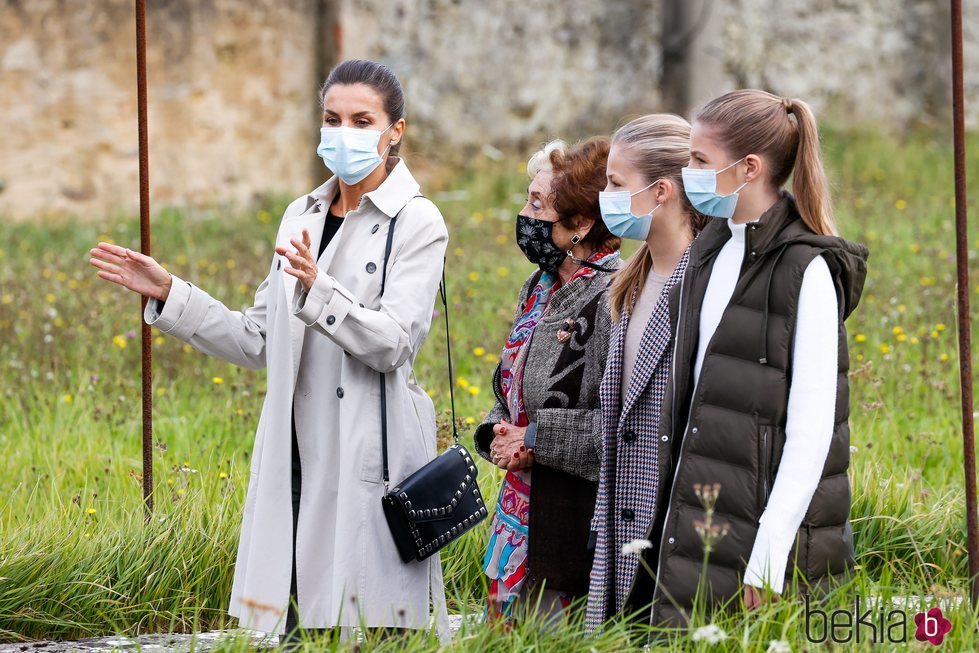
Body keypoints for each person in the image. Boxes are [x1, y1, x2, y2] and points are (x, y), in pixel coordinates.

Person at [89, 59, 450, 643]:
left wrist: (318, 290)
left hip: (366, 450)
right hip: (295, 449)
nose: (344, 133)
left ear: (396, 131)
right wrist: (171, 293)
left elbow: (393, 345)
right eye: (332, 119)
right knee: (293, 618)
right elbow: (258, 338)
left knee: (372, 625)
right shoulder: (300, 213)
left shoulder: (417, 221)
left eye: (363, 120)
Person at [627, 89, 868, 629]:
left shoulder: (807, 270)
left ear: (749, 169)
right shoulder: (711, 247)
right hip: (704, 526)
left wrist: (767, 560)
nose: (688, 172)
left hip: (770, 546)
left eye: (699, 161)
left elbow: (811, 433)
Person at [473, 137, 622, 625]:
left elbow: (621, 422)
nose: (523, 214)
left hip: (568, 521)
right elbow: (511, 385)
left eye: (537, 205)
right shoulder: (539, 286)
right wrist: (496, 433)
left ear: (581, 224)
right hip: (516, 509)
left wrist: (535, 439)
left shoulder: (614, 297)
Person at [584, 114, 708, 630]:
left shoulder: (705, 283)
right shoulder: (629, 285)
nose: (605, 197)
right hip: (621, 526)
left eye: (616, 184)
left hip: (676, 529)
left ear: (661, 191)